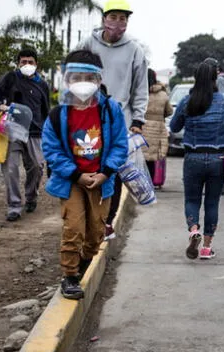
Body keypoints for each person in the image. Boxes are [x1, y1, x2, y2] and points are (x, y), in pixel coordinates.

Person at [42, 50, 128, 300]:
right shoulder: (58, 114)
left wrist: (105, 173)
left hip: (101, 181)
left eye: (88, 77)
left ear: (98, 80)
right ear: (67, 80)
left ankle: (82, 264)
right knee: (74, 229)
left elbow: (120, 145)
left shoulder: (111, 110)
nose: (83, 83)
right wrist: (77, 175)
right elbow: (51, 149)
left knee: (95, 234)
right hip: (72, 182)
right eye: (76, 77)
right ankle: (69, 276)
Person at [76, 0, 149, 239]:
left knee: (114, 170)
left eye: (123, 19)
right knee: (86, 165)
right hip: (88, 115)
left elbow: (140, 88)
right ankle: (87, 217)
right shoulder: (88, 44)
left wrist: (138, 121)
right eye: (114, 17)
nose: (118, 23)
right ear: (104, 19)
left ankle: (107, 221)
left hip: (121, 119)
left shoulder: (134, 50)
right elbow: (72, 71)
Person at [169, 60, 224, 260]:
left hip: (192, 157)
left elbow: (175, 127)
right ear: (215, 78)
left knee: (192, 199)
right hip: (218, 159)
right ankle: (206, 248)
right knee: (212, 202)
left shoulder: (188, 101)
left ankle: (194, 231)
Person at [0, 48, 50, 221]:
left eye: (30, 62)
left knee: (36, 167)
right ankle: (14, 205)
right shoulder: (10, 78)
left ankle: (31, 197)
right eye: (23, 62)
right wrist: (0, 105)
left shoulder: (43, 85)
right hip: (12, 131)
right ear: (18, 63)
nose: (27, 65)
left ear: (36, 64)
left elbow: (46, 111)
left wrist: (48, 133)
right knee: (11, 168)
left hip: (35, 132)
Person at [142, 68, 173, 186]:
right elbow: (169, 111)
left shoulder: (140, 93)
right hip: (157, 130)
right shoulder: (163, 94)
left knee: (141, 158)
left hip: (142, 128)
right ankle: (150, 184)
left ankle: (141, 183)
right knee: (152, 159)